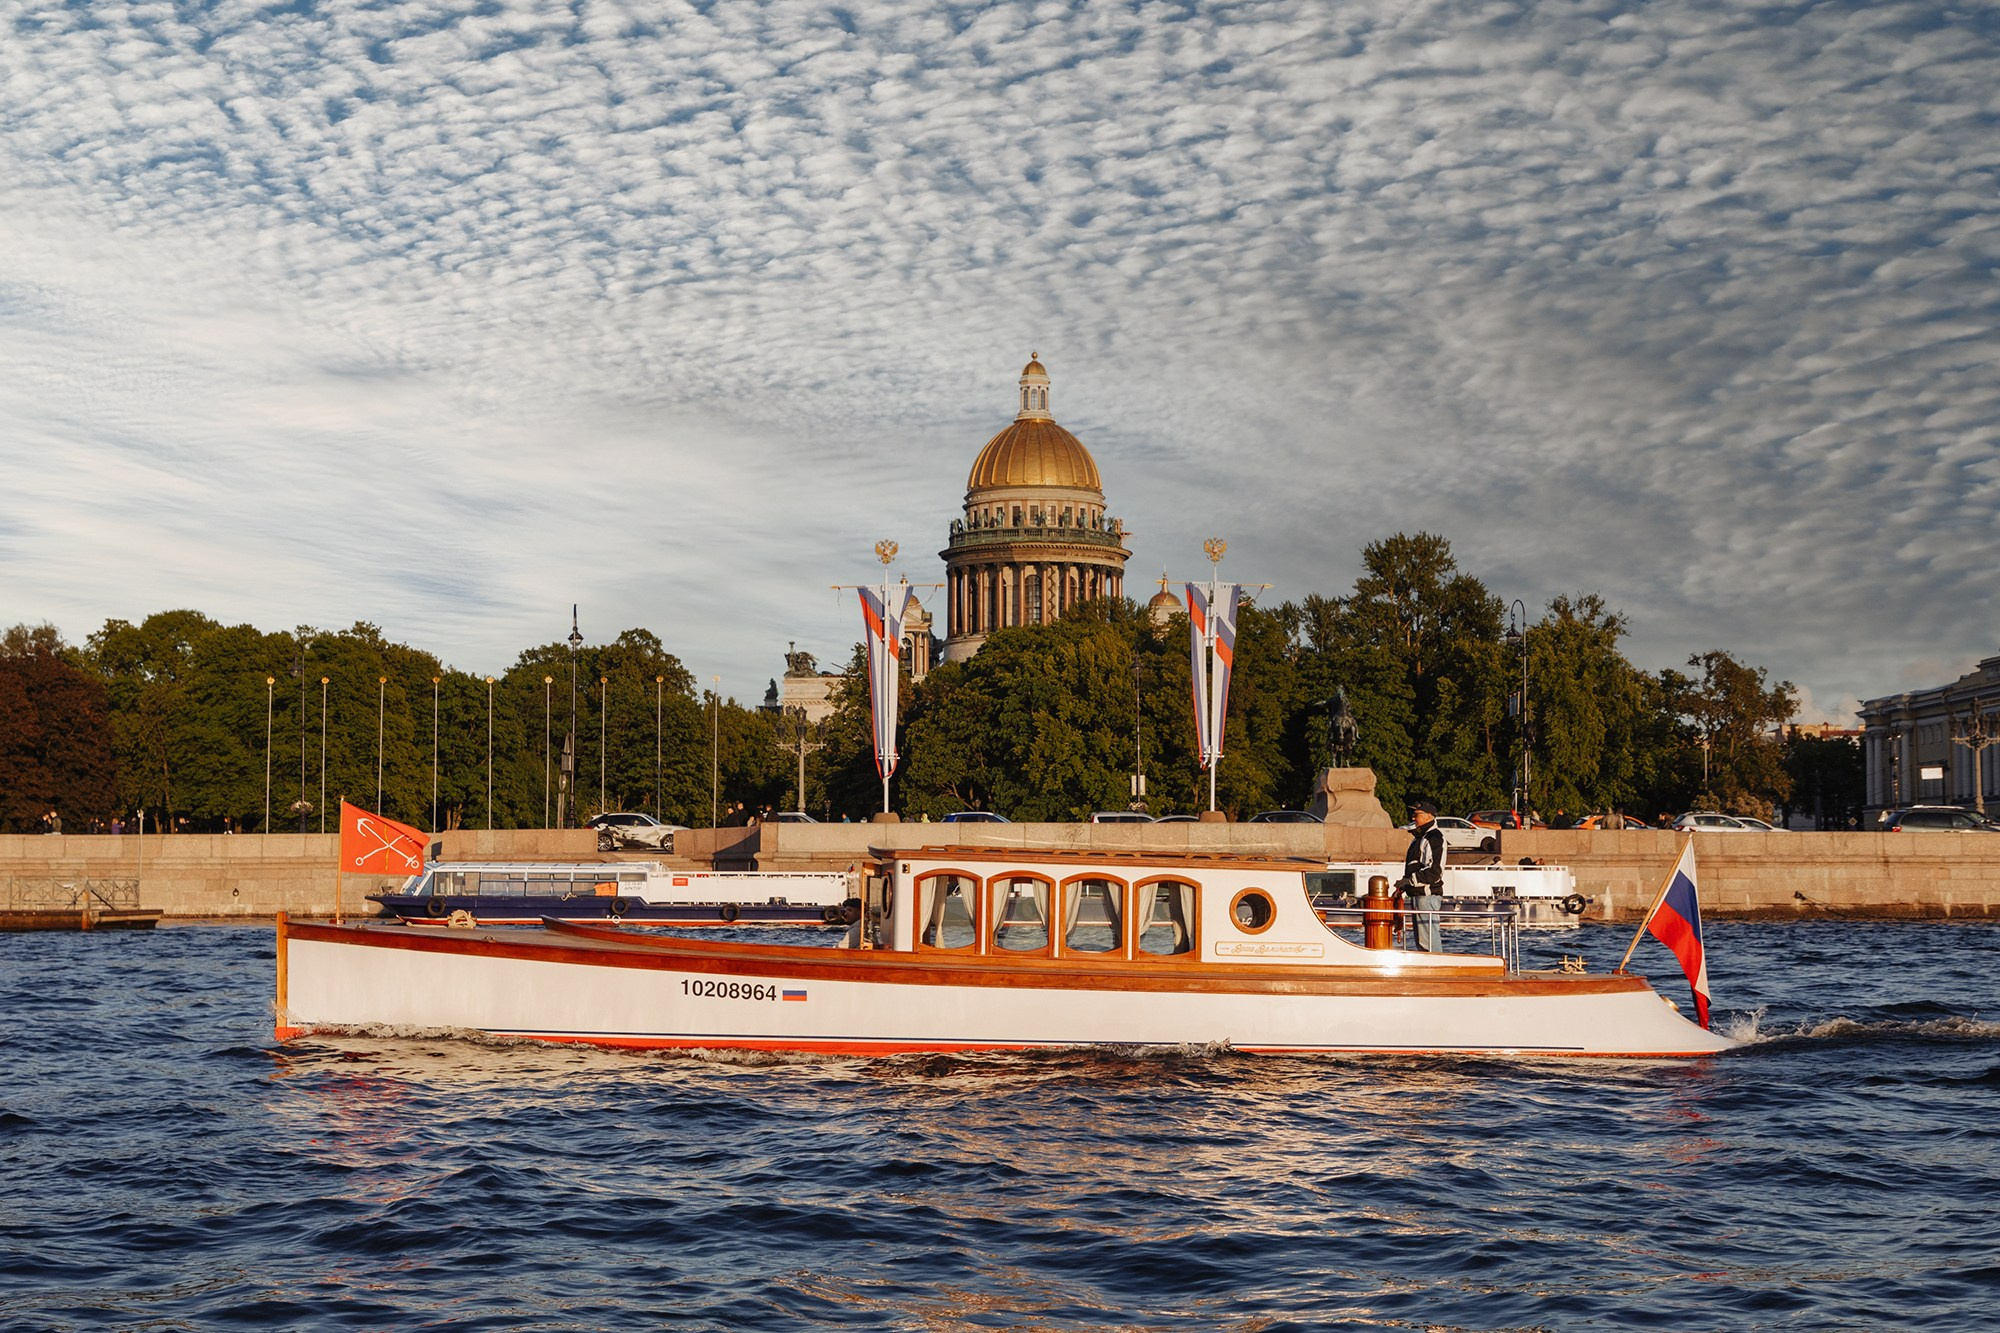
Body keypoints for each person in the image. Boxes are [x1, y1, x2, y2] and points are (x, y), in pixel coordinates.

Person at [1400, 798, 1445, 953]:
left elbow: (1435, 872)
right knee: (1423, 942)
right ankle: (1430, 965)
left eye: (1417, 814)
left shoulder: (1434, 838)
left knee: (1429, 943)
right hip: (1418, 896)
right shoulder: (1420, 838)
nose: (1413, 817)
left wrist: (1409, 881)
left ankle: (1437, 966)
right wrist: (1404, 886)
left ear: (1428, 816)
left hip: (1427, 896)